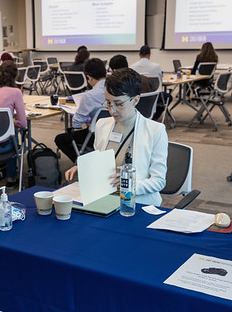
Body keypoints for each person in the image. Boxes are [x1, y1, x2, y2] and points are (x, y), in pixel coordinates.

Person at [64, 68, 168, 206]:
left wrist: (130, 184)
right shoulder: (102, 125)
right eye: (107, 102)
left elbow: (159, 181)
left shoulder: (156, 131)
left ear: (135, 100)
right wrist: (83, 167)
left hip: (138, 203)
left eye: (118, 104)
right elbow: (99, 162)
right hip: (104, 198)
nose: (111, 110)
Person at [54, 58, 106, 163]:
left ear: (89, 78)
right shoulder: (116, 89)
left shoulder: (90, 95)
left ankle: (82, 163)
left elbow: (76, 124)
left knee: (60, 139)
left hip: (95, 136)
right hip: (115, 134)